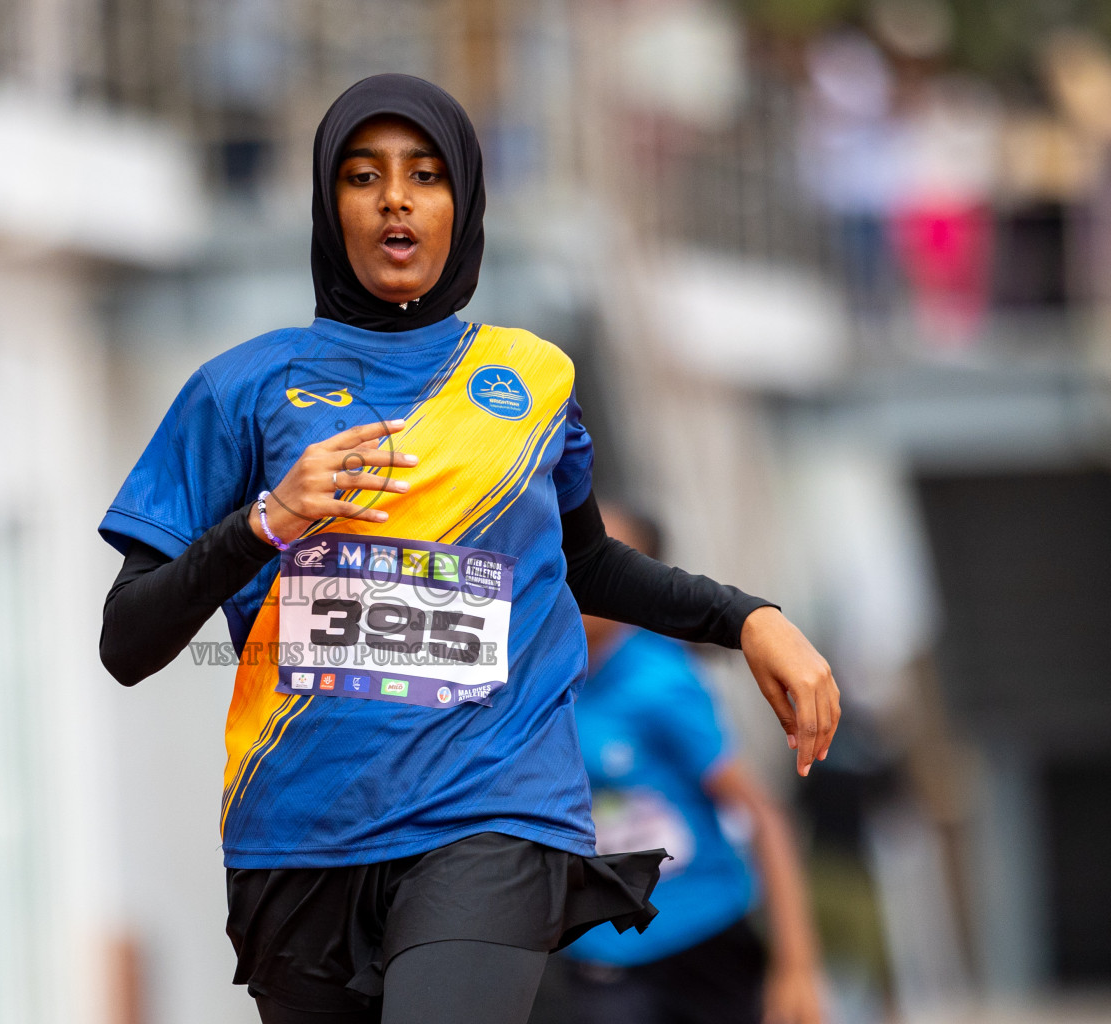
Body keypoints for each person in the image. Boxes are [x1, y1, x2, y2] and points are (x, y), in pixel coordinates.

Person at [98, 74, 840, 1024]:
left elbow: (591, 566)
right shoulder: (239, 389)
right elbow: (127, 642)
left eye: (427, 175)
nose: (397, 198)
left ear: (465, 204)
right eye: (364, 177)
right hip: (297, 840)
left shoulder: (532, 380)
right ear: (331, 207)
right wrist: (265, 524)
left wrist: (750, 618)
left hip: (491, 813)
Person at [533, 505, 823, 1024]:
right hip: (601, 955)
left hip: (702, 942)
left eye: (590, 565)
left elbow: (764, 816)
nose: (570, 579)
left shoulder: (662, 682)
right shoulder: (532, 682)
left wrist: (796, 968)